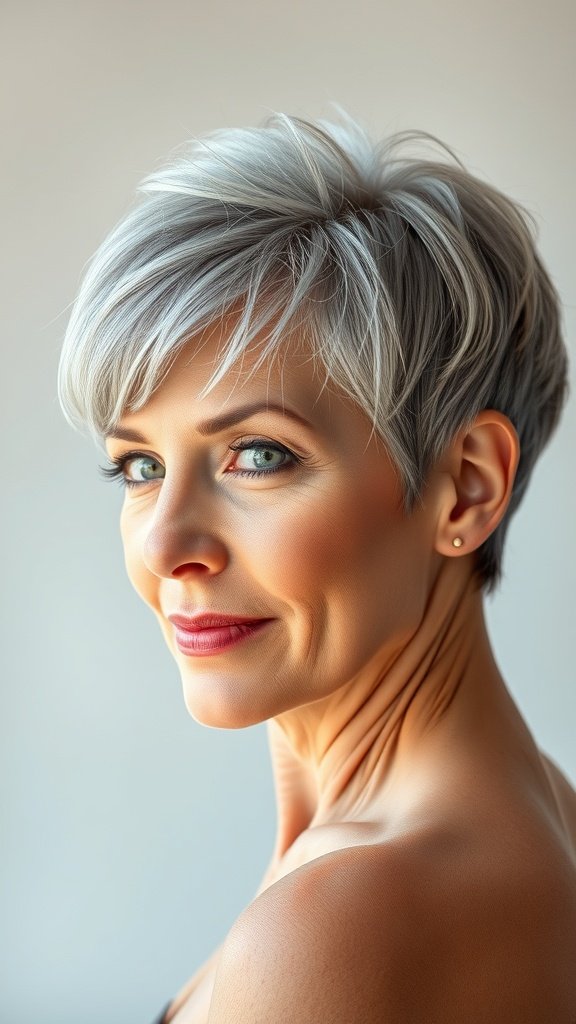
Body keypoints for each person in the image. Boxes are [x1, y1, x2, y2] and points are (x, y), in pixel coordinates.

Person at [58, 108, 576, 1022]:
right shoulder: (536, 810)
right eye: (139, 466)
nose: (164, 545)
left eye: (258, 455)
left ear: (465, 488)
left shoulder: (342, 924)